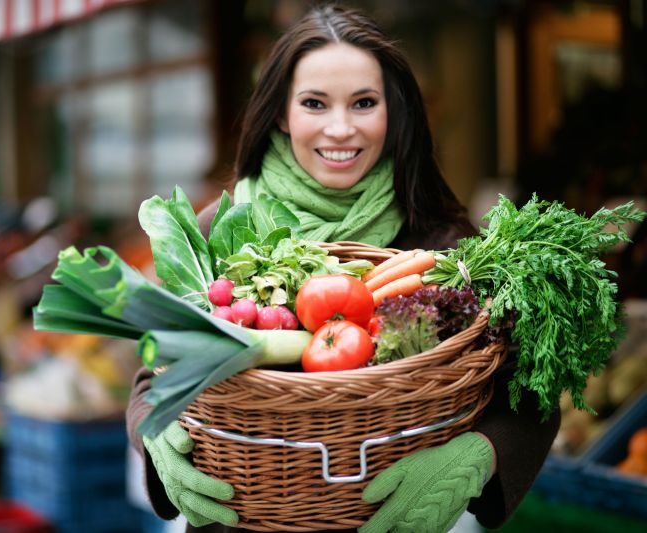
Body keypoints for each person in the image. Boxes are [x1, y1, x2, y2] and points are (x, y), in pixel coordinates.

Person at [126, 5, 560, 533]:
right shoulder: (223, 230)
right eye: (314, 103)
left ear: (391, 112)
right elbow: (157, 366)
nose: (340, 128)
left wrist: (483, 453)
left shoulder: (442, 242)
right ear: (282, 114)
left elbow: (532, 388)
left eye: (363, 103)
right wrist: (154, 429)